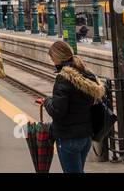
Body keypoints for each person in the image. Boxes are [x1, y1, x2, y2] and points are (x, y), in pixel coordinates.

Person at [39, 39, 104, 173]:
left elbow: (58, 110)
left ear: (57, 58)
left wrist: (47, 102)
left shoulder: (64, 78)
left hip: (68, 136)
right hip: (85, 136)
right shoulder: (87, 75)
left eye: (52, 59)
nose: (53, 62)